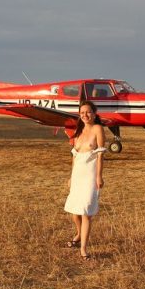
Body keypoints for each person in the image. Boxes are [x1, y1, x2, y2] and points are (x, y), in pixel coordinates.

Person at [64, 100, 106, 260]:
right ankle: (79, 234)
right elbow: (74, 157)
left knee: (86, 212)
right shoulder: (79, 132)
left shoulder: (98, 129)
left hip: (90, 176)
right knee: (75, 212)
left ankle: (83, 249)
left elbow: (100, 154)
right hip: (77, 175)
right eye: (82, 113)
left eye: (88, 112)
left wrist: (99, 176)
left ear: (94, 114)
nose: (85, 115)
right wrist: (71, 176)